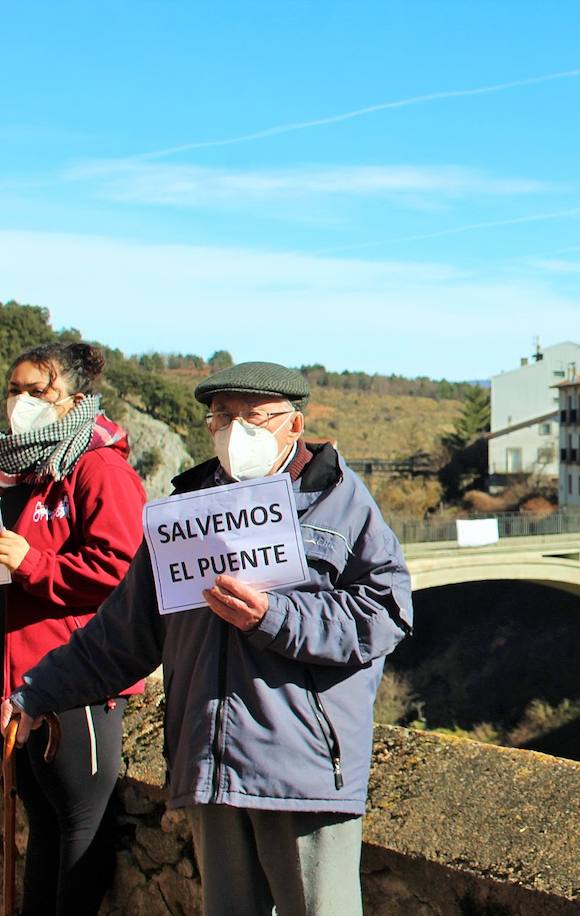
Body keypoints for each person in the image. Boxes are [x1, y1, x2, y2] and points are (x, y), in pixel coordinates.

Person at [3, 361, 412, 916]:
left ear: (294, 425)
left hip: (303, 773)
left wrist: (274, 617)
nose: (234, 429)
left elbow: (384, 611)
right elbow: (122, 635)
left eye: (253, 417)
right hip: (211, 772)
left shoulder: (340, 498)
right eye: (222, 415)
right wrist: (36, 691)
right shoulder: (183, 513)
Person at [0, 341, 147, 915]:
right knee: (45, 821)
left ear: (77, 400)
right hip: (26, 680)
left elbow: (123, 570)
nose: (20, 402)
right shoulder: (26, 472)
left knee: (80, 825)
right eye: (14, 389)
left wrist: (27, 561)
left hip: (80, 676)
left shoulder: (99, 467)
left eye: (38, 391)